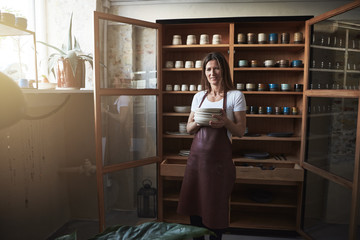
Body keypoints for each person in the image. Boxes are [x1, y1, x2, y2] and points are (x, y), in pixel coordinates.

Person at [177, 52, 247, 240]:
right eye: (208, 69)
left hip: (218, 166)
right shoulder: (199, 96)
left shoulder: (235, 96)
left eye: (216, 68)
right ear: (204, 72)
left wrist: (226, 122)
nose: (212, 72)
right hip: (196, 163)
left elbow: (240, 131)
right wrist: (200, 121)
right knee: (195, 206)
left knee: (215, 209)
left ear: (223, 69)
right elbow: (189, 128)